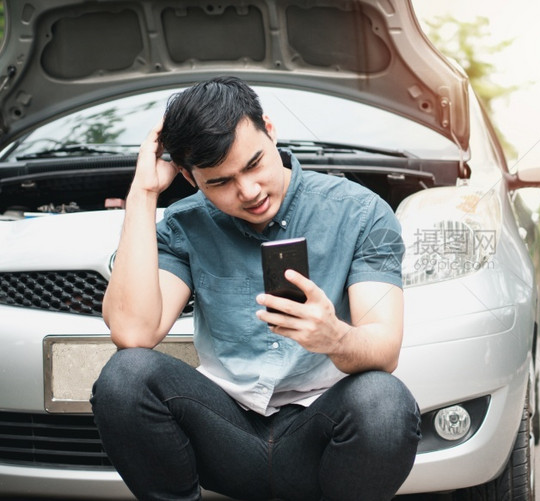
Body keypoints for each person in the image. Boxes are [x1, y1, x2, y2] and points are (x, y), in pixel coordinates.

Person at [91, 76, 420, 501]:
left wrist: (334, 336)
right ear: (191, 179)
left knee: (384, 402)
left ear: (270, 128)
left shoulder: (359, 213)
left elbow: (385, 347)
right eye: (219, 182)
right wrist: (144, 192)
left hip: (320, 430)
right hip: (226, 430)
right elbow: (134, 333)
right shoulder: (185, 224)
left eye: (253, 164)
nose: (248, 192)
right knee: (125, 376)